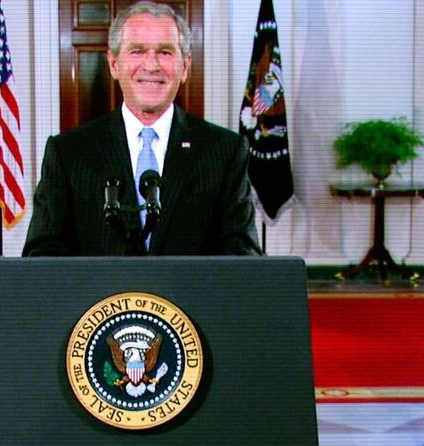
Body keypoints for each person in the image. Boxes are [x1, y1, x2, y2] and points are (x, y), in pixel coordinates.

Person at [22, 1, 261, 256]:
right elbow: (42, 256)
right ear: (114, 64)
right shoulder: (69, 153)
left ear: (185, 66)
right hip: (99, 296)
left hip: (187, 296)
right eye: (137, 51)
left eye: (165, 52)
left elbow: (242, 256)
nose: (151, 65)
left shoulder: (224, 151)